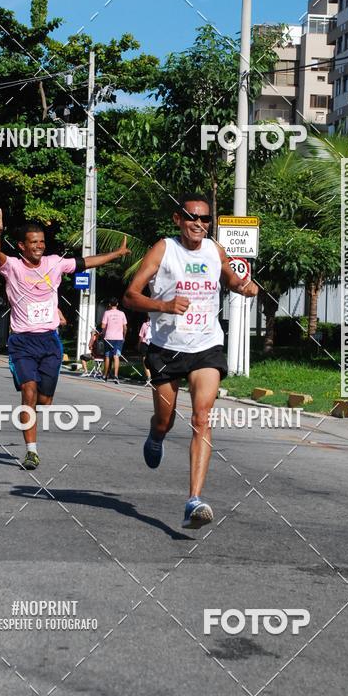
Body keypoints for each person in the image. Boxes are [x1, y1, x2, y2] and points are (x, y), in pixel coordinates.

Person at [123, 193, 258, 529]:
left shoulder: (215, 250)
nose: (199, 223)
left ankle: (194, 500)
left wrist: (244, 288)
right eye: (191, 217)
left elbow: (230, 279)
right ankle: (156, 436)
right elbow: (130, 295)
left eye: (205, 218)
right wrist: (165, 306)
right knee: (164, 420)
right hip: (166, 348)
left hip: (206, 346)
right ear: (178, 220)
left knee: (202, 417)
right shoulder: (164, 249)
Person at [0, 207, 129, 470]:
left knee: (44, 401)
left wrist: (117, 255)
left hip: (50, 342)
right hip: (22, 342)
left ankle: (30, 416)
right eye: (34, 242)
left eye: (42, 241)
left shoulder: (55, 262)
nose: (39, 246)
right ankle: (31, 451)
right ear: (21, 246)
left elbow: (86, 262)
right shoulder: (14, 268)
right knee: (29, 392)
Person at [101, 298, 127, 384]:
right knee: (116, 356)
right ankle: (116, 376)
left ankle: (105, 376)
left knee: (107, 356)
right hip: (118, 338)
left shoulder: (107, 313)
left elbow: (103, 326)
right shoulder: (122, 313)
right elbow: (125, 327)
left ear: (109, 304)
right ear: (117, 304)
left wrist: (103, 334)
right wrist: (124, 336)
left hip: (108, 337)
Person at [138, 315, 152, 384]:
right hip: (152, 344)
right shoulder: (155, 325)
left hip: (144, 343)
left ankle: (148, 376)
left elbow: (141, 335)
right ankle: (151, 376)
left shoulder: (144, 324)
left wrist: (139, 344)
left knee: (144, 360)